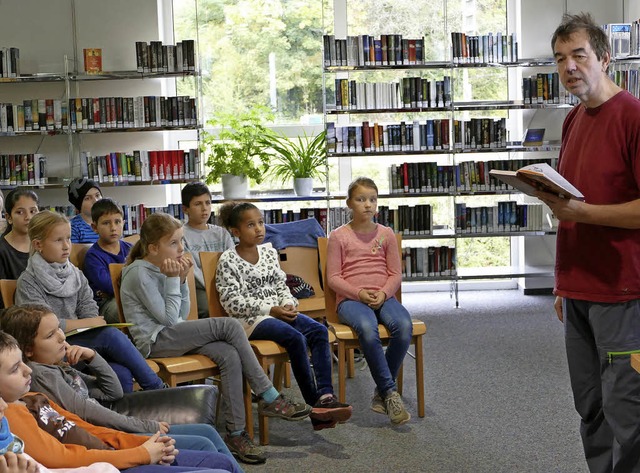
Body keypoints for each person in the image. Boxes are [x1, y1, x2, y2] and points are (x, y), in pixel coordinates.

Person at [119, 212, 312, 465]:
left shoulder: (163, 266)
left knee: (228, 353)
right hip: (155, 342)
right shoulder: (138, 273)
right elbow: (166, 320)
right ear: (153, 248)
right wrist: (172, 280)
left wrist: (180, 281)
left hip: (174, 333)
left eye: (182, 241)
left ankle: (235, 433)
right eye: (174, 243)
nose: (181, 249)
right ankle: (268, 395)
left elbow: (180, 314)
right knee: (231, 326)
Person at [536, 13, 640, 472]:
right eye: (560, 59)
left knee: (628, 412)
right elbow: (571, 201)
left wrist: (585, 214)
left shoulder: (633, 117)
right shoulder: (574, 119)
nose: (569, 67)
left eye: (579, 55)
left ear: (604, 57)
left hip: (621, 293)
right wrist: (561, 282)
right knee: (590, 407)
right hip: (577, 288)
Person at [0, 304, 244, 473]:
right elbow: (80, 427)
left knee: (213, 449)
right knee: (213, 458)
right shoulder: (31, 390)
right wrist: (142, 444)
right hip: (108, 457)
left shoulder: (38, 392)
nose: (63, 338)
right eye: (51, 334)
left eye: (59, 330)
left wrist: (93, 356)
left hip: (112, 446)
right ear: (30, 348)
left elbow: (108, 397)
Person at [216, 202, 353, 431]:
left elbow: (282, 285)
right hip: (252, 320)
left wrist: (288, 304)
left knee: (319, 331)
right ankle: (314, 406)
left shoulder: (269, 252)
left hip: (279, 312)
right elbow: (232, 303)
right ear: (236, 231)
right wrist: (270, 310)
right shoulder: (228, 260)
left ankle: (326, 396)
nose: (259, 229)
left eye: (260, 222)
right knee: (295, 338)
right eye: (251, 225)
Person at [14, 210, 165, 393]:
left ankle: (119, 420)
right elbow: (44, 327)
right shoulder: (28, 281)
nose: (66, 246)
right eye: (58, 240)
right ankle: (158, 389)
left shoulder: (75, 274)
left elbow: (90, 309)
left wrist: (88, 322)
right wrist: (87, 323)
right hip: (51, 352)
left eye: (68, 238)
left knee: (122, 374)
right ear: (38, 244)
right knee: (109, 335)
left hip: (80, 346)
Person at [326, 177, 413, 426]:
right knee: (367, 328)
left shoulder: (385, 234)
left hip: (384, 295)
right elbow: (333, 277)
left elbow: (395, 274)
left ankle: (381, 392)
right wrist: (359, 293)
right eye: (361, 199)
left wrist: (384, 293)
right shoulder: (339, 236)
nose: (367, 204)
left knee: (403, 326)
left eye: (372, 199)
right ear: (349, 204)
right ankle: (389, 391)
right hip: (352, 299)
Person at [0, 392, 120, 473]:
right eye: (14, 369)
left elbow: (86, 426)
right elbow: (59, 458)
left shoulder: (35, 396)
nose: (3, 405)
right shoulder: (13, 414)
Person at [181, 182, 234, 319]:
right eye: (198, 204)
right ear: (185, 209)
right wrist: (214, 289)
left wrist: (225, 286)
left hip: (226, 285)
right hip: (198, 288)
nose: (204, 208)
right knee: (207, 307)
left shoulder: (221, 233)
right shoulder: (181, 235)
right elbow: (192, 270)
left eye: (208, 203)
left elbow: (233, 261)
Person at [82, 198, 133, 324]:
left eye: (117, 222)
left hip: (132, 296)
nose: (113, 228)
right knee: (131, 310)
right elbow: (110, 286)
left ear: (124, 223)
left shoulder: (131, 249)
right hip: (107, 304)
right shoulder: (93, 257)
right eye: (106, 223)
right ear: (95, 227)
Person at [0, 190, 39, 282]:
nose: (28, 217)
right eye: (20, 212)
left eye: (33, 211)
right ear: (9, 218)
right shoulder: (2, 250)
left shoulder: (46, 243)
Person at [68, 178, 102, 244]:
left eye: (97, 195)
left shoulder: (110, 221)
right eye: (87, 198)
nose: (96, 201)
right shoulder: (73, 228)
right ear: (79, 204)